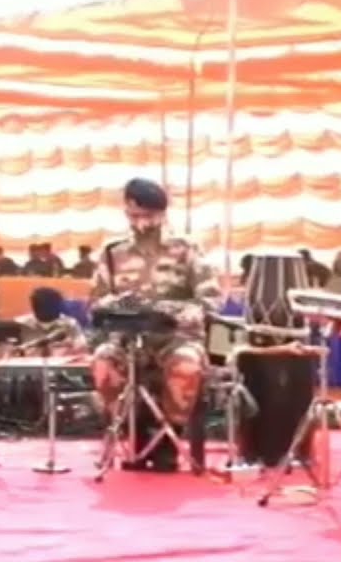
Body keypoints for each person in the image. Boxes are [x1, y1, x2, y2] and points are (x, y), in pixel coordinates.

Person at [89, 178, 222, 472]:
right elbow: (96, 302)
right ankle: (134, 432)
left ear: (162, 213)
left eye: (148, 216)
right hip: (127, 340)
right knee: (103, 364)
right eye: (134, 215)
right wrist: (123, 305)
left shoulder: (186, 249)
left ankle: (165, 441)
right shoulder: (113, 252)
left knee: (185, 367)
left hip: (176, 338)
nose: (142, 223)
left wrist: (171, 312)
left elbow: (210, 301)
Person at [6, 287, 89, 358]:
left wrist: (71, 352)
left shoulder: (70, 324)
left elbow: (82, 350)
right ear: (35, 307)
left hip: (62, 370)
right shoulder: (20, 324)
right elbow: (9, 355)